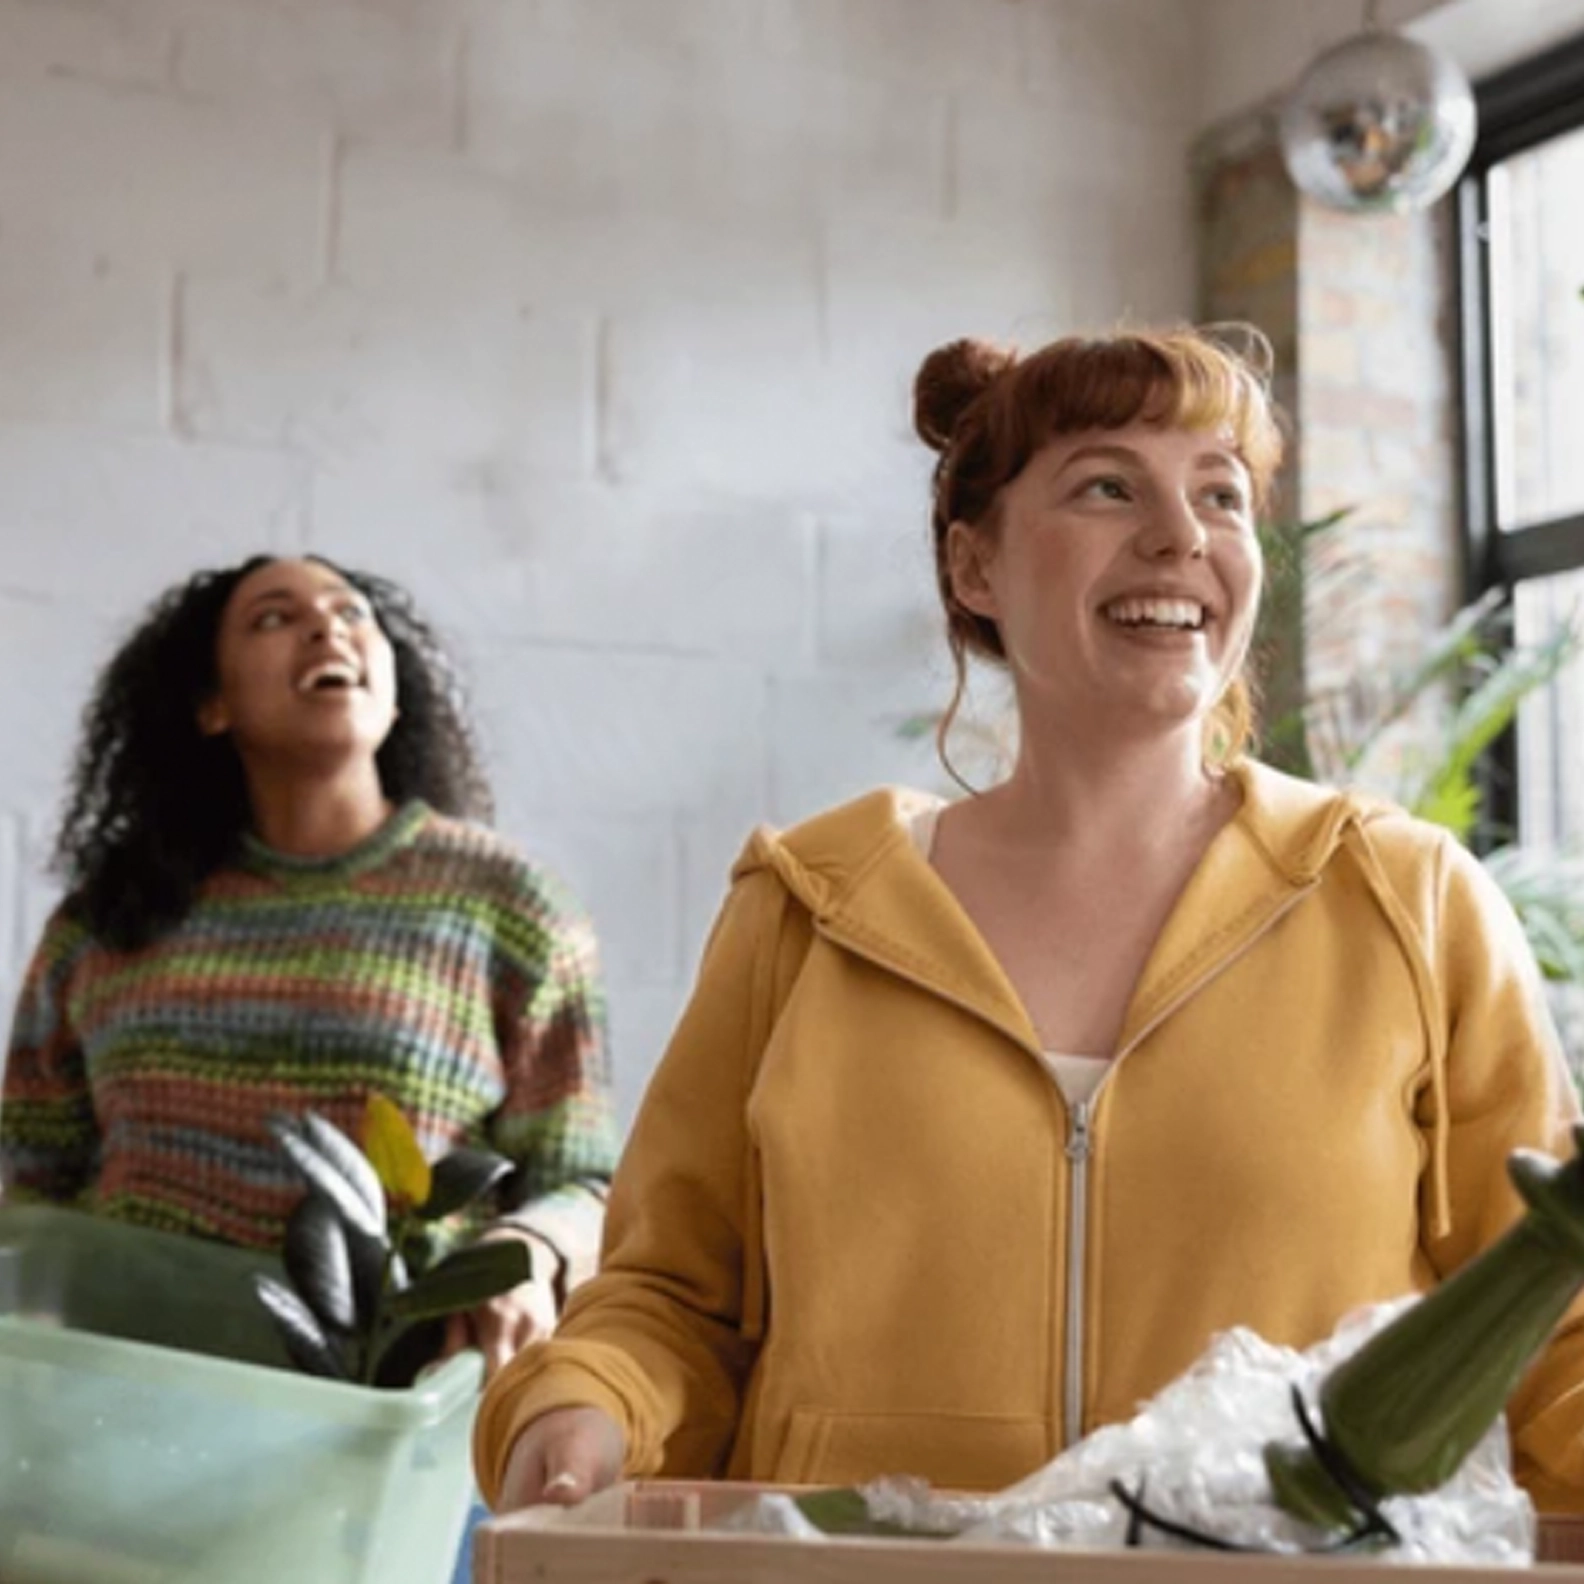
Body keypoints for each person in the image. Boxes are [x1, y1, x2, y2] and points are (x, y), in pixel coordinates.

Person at [471, 325, 1584, 1516]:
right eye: (1109, 486)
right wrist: (585, 1399)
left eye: (1221, 494)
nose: (1183, 535)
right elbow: (675, 1301)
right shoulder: (807, 911)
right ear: (975, 569)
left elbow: (1553, 1324)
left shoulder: (1410, 901)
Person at [0, 554, 619, 1373]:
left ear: (398, 693)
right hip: (127, 1410)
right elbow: (29, 1184)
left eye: (351, 612)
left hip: (385, 1421)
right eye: (272, 617)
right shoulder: (107, 917)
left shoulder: (510, 905)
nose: (328, 627)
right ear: (211, 704)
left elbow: (585, 1185)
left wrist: (528, 1249)